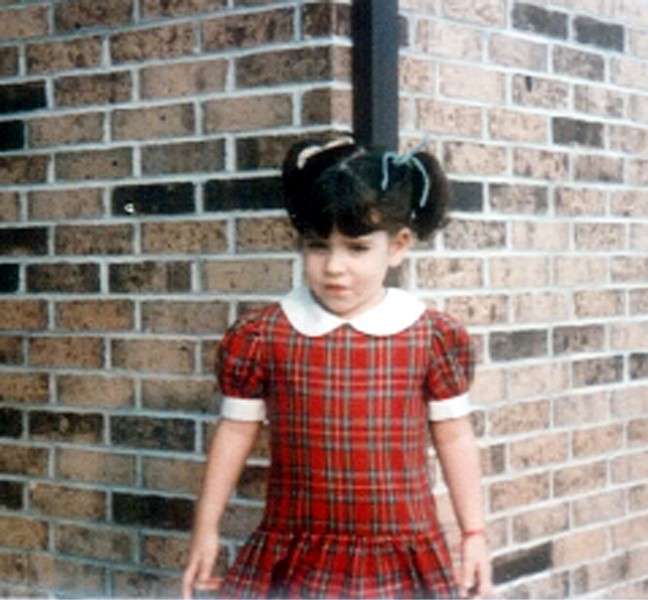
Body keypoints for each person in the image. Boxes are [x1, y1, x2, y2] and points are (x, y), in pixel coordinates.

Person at [182, 136, 492, 599]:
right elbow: (235, 432)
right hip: (297, 556)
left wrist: (473, 534)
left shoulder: (430, 337)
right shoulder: (263, 336)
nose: (334, 267)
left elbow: (454, 437)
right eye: (318, 246)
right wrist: (206, 529)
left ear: (398, 246)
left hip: (399, 553)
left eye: (356, 248)